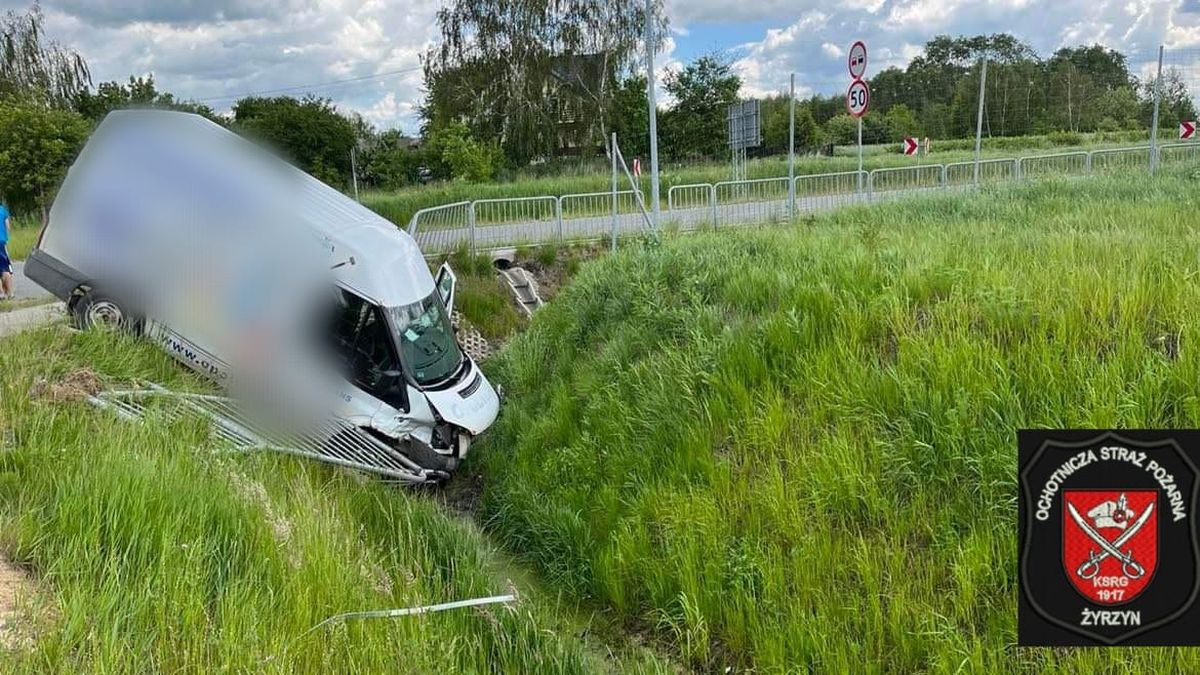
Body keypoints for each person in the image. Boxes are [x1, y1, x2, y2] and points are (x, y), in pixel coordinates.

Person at [0, 201, 11, 301]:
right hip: (2, 242)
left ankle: (1, 293)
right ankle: (9, 292)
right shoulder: (3, 210)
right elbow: (8, 227)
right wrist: (6, 238)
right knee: (6, 268)